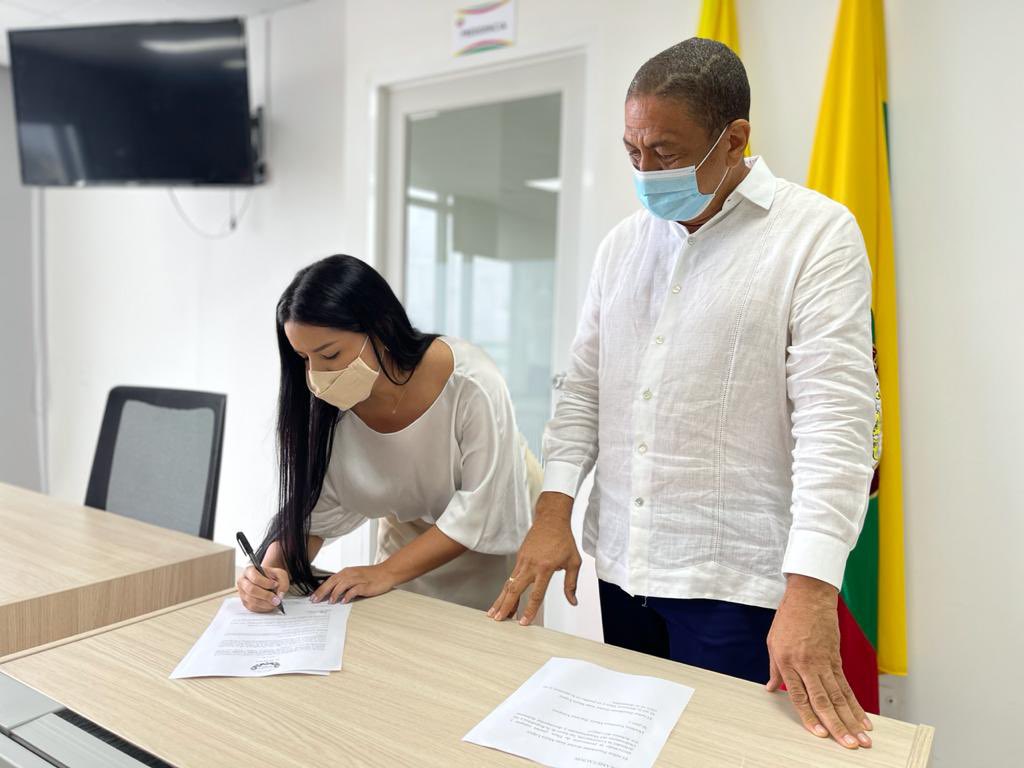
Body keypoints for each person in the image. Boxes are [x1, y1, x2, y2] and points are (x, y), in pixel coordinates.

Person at [488, 38, 879, 751]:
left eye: (665, 153)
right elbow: (582, 391)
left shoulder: (816, 236)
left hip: (739, 582)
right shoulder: (623, 246)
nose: (644, 172)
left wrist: (813, 590)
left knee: (725, 757)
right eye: (632, 151)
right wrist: (554, 512)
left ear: (734, 140)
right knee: (632, 751)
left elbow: (837, 425)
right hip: (628, 566)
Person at [237, 255, 540, 615]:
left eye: (330, 354)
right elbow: (314, 512)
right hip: (409, 531)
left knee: (485, 651)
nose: (317, 377)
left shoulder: (471, 384)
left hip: (495, 526)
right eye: (303, 358)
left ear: (378, 327)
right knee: (399, 639)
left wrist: (385, 571)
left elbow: (482, 510)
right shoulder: (334, 405)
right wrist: (270, 572)